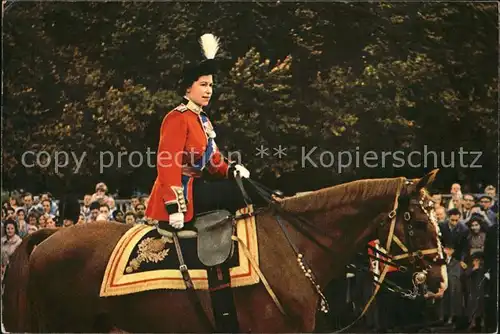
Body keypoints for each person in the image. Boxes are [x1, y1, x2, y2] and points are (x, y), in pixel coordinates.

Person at [146, 33, 251, 231]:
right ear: (187, 88)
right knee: (240, 193)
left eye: (211, 85)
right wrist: (173, 206)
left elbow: (212, 161)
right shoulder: (177, 117)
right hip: (183, 194)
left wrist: (231, 170)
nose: (209, 90)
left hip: (198, 187)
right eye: (203, 85)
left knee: (247, 186)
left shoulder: (202, 120)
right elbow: (167, 163)